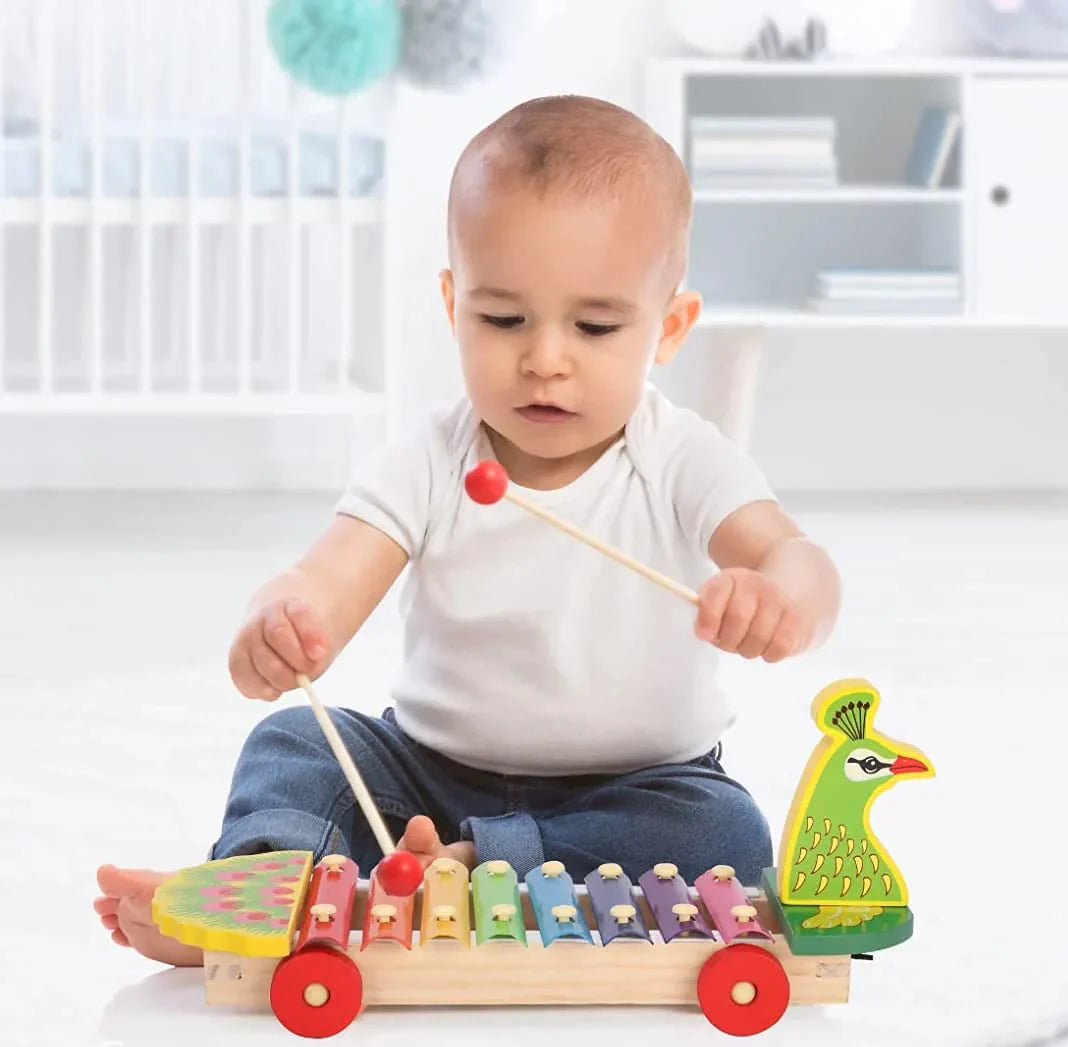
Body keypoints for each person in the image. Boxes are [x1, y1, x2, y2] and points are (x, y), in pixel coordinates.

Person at [94, 95, 840, 966]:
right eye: (503, 319)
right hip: (426, 778)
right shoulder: (428, 460)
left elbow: (799, 558)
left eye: (595, 326)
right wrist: (280, 623)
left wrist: (782, 598)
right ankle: (257, 898)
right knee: (296, 744)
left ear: (668, 327)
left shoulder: (679, 459)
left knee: (725, 827)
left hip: (636, 787)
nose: (545, 357)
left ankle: (477, 869)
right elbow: (323, 580)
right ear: (453, 306)